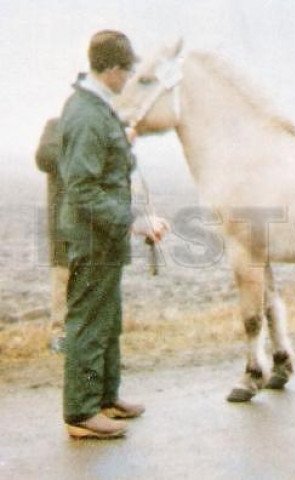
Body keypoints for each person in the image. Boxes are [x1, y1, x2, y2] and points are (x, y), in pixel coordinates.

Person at [58, 30, 169, 439]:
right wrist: (136, 222)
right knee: (88, 321)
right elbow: (83, 189)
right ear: (111, 70)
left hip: (104, 236)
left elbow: (105, 169)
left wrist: (123, 141)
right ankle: (81, 413)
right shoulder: (87, 114)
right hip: (92, 237)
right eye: (126, 71)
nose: (127, 80)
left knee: (108, 318)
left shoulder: (98, 109)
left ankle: (105, 398)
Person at [35, 118, 69, 352]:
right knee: (63, 276)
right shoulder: (56, 126)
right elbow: (43, 157)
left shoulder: (103, 127)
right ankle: (60, 334)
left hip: (96, 221)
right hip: (63, 220)